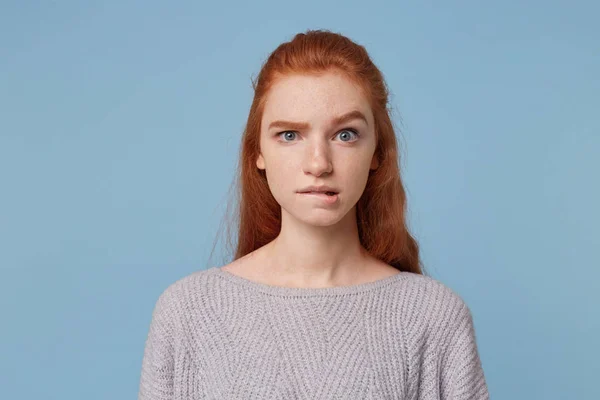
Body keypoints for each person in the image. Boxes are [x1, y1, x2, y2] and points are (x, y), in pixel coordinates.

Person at [138, 29, 489, 399]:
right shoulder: (188, 313)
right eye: (290, 135)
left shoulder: (433, 317)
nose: (318, 164)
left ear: (377, 153)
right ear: (257, 152)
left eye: (345, 135)